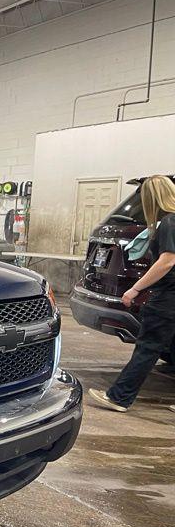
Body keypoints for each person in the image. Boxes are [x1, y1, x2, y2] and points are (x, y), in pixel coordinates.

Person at [90, 175, 175, 413]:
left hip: (168, 296)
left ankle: (119, 398)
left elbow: (167, 261)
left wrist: (136, 288)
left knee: (148, 347)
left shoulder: (170, 222)